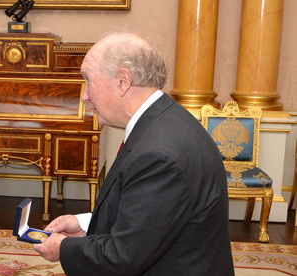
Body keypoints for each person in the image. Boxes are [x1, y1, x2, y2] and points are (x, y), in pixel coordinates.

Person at [33, 32, 235, 275]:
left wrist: (63, 248)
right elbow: (148, 218)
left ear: (122, 81)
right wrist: (85, 224)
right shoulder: (162, 121)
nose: (84, 96)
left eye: (88, 81)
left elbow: (124, 256)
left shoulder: (158, 153)